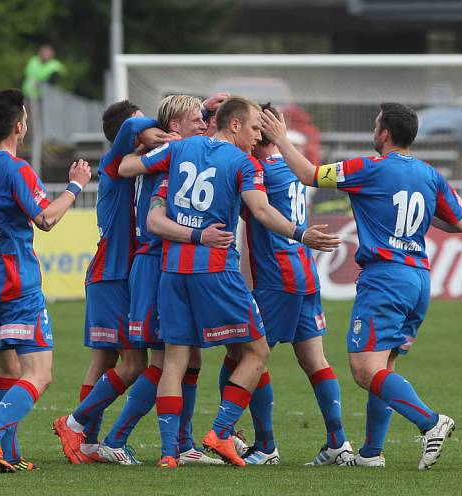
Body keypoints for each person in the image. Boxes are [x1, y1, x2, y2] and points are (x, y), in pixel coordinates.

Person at [119, 96, 340, 468]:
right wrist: (302, 234)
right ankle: (221, 432)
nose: (258, 136)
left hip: (173, 270)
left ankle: (168, 453)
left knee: (175, 358)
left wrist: (150, 138)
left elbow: (127, 167)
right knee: (257, 350)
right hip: (217, 270)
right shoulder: (243, 163)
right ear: (234, 125)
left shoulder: (180, 149)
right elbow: (262, 210)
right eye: (255, 128)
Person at [260, 102, 462, 469]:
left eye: (375, 126)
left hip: (385, 278)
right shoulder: (429, 174)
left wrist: (279, 138)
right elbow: (461, 223)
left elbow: (309, 174)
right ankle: (371, 453)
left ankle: (430, 422)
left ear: (384, 133)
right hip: (417, 278)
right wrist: (411, 226)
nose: (373, 131)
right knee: (384, 365)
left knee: (364, 371)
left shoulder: (368, 168)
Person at [0, 88, 91, 473]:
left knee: (8, 370)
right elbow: (45, 219)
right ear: (19, 126)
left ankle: (7, 452)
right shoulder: (17, 170)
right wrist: (76, 186)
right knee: (40, 373)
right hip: (18, 284)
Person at [98, 94, 232, 467]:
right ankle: (110, 435)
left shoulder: (184, 148)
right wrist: (159, 134)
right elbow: (125, 167)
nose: (204, 124)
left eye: (205, 119)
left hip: (177, 260)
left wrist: (203, 109)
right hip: (157, 259)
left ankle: (183, 444)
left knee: (190, 359)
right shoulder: (167, 150)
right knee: (163, 360)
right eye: (197, 119)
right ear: (173, 127)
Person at [52, 100, 174, 464]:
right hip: (113, 275)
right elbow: (127, 132)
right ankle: (75, 426)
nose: (151, 131)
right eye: (141, 125)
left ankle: (87, 442)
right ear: (129, 132)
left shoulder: (135, 167)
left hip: (119, 274)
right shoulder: (113, 161)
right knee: (134, 363)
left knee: (105, 359)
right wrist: (165, 121)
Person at [234, 103, 352, 466]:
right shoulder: (289, 163)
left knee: (248, 355)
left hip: (277, 277)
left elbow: (255, 210)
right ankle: (338, 443)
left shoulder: (258, 169)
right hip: (303, 271)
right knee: (313, 358)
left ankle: (265, 446)